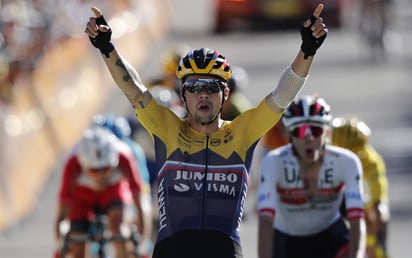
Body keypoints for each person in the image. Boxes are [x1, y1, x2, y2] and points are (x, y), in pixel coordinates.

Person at [84, 3, 328, 257]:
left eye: (211, 88)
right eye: (195, 87)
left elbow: (282, 96)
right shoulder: (167, 128)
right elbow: (133, 88)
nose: (203, 95)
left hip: (223, 249)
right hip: (172, 249)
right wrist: (106, 47)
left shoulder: (242, 132)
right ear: (183, 94)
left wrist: (307, 50)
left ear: (225, 95)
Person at [256, 95, 367, 258]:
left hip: (330, 234)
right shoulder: (273, 162)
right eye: (299, 131)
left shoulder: (347, 162)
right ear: (290, 136)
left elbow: (357, 219)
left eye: (315, 130)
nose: (308, 139)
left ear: (327, 132)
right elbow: (265, 221)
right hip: (287, 239)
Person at [54, 126, 145, 258]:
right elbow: (61, 215)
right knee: (77, 239)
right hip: (82, 196)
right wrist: (62, 245)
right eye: (94, 171)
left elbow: (139, 202)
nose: (100, 176)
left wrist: (139, 243)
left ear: (114, 162)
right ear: (84, 165)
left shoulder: (124, 156)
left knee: (118, 230)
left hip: (112, 191)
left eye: (106, 169)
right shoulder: (72, 163)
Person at [92, 113, 156, 253]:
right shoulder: (88, 148)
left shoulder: (131, 151)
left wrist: (141, 239)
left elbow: (142, 191)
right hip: (101, 195)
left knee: (125, 233)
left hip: (125, 196)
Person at [332, 115, 390, 258]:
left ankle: (377, 249)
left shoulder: (372, 161)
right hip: (335, 197)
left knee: (374, 215)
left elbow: (379, 207)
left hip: (357, 199)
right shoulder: (328, 156)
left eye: (355, 154)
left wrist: (378, 242)